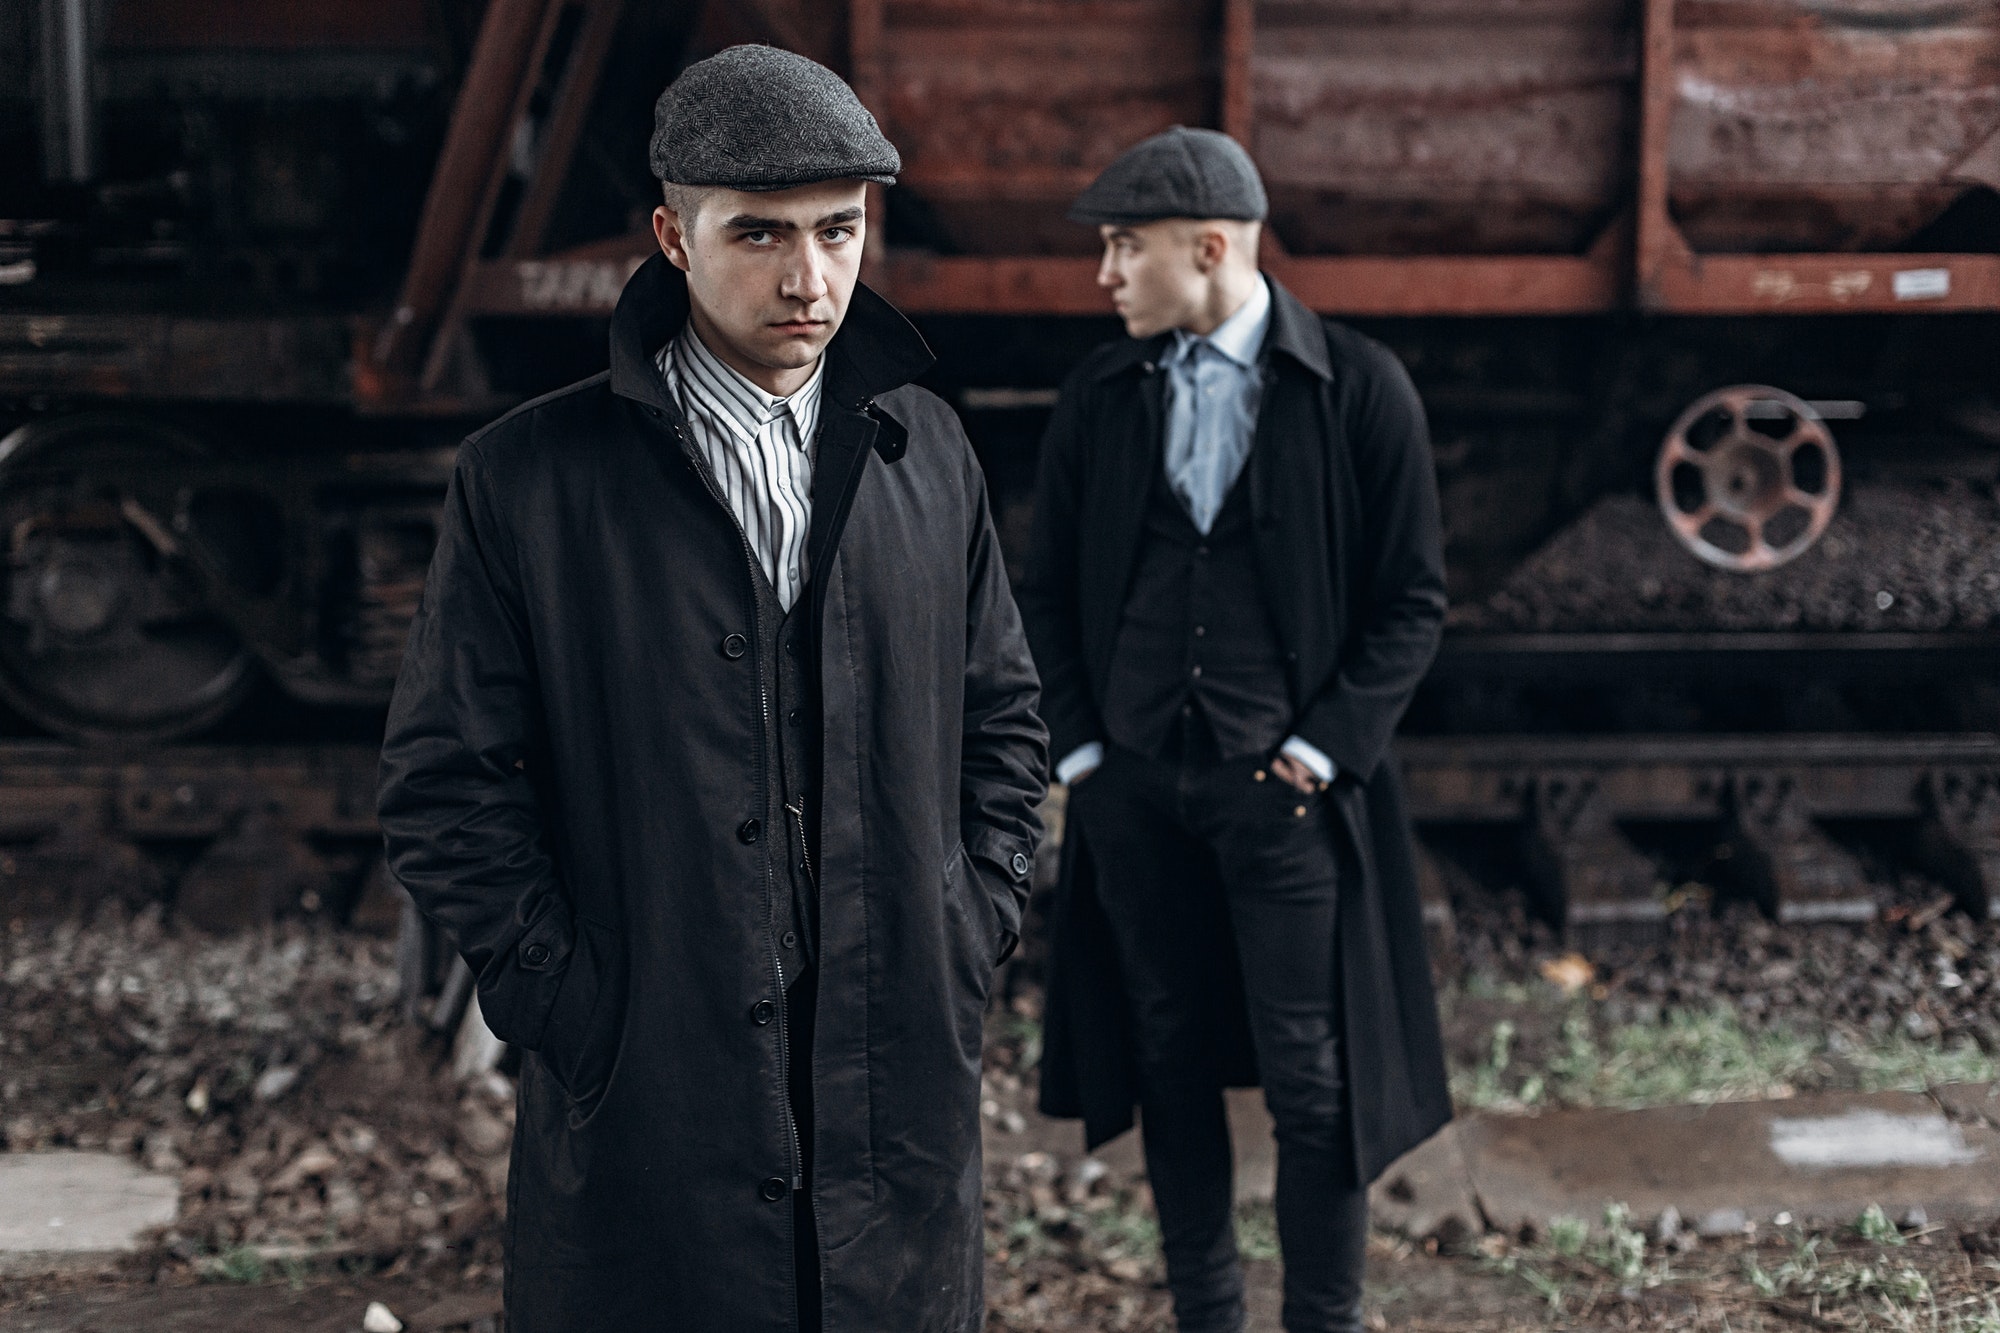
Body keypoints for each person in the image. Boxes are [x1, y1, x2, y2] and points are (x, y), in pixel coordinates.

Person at [378, 45, 1047, 1333]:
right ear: (672, 239)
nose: (809, 278)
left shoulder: (927, 449)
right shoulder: (528, 478)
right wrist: (572, 1006)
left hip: (892, 1066)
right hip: (651, 1086)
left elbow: (1004, 717)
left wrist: (971, 924)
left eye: (839, 231)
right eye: (760, 234)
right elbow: (441, 779)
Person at [1018, 126, 1450, 1333]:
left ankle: (1320, 1321)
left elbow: (1411, 601)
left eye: (1123, 247)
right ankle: (1203, 1319)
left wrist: (1317, 754)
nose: (1104, 274)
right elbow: (1042, 592)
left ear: (1207, 247)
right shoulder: (1099, 397)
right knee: (1165, 1065)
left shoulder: (1356, 387)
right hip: (1136, 797)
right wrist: (1086, 760)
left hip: (1287, 804)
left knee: (1313, 1084)